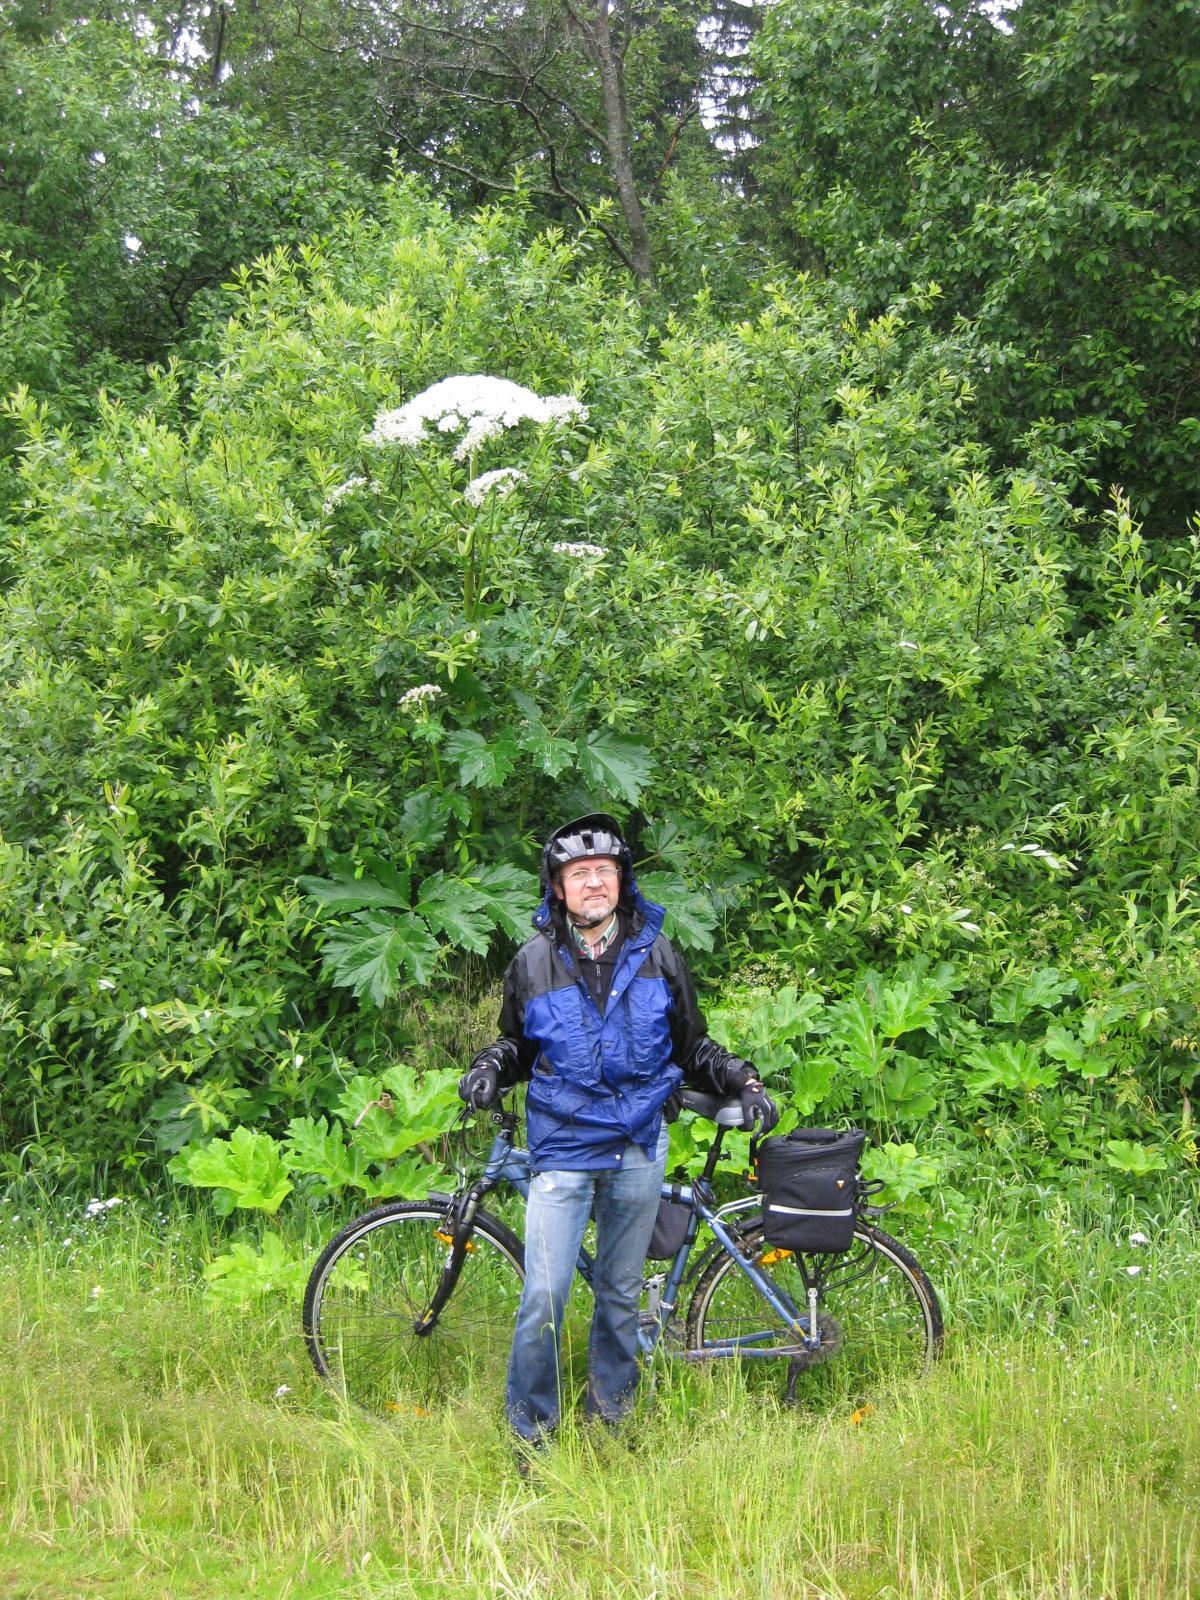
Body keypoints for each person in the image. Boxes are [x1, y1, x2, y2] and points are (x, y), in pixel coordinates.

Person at [458, 812, 778, 1450]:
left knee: (619, 1296)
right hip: (564, 1145)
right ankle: (531, 1436)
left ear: (622, 880)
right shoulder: (532, 961)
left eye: (604, 870)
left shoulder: (658, 953)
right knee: (545, 1294)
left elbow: (692, 1046)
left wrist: (743, 1079)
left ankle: (613, 1423)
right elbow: (517, 1045)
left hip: (638, 1143)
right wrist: (491, 1066)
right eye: (579, 873)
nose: (594, 882)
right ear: (558, 889)